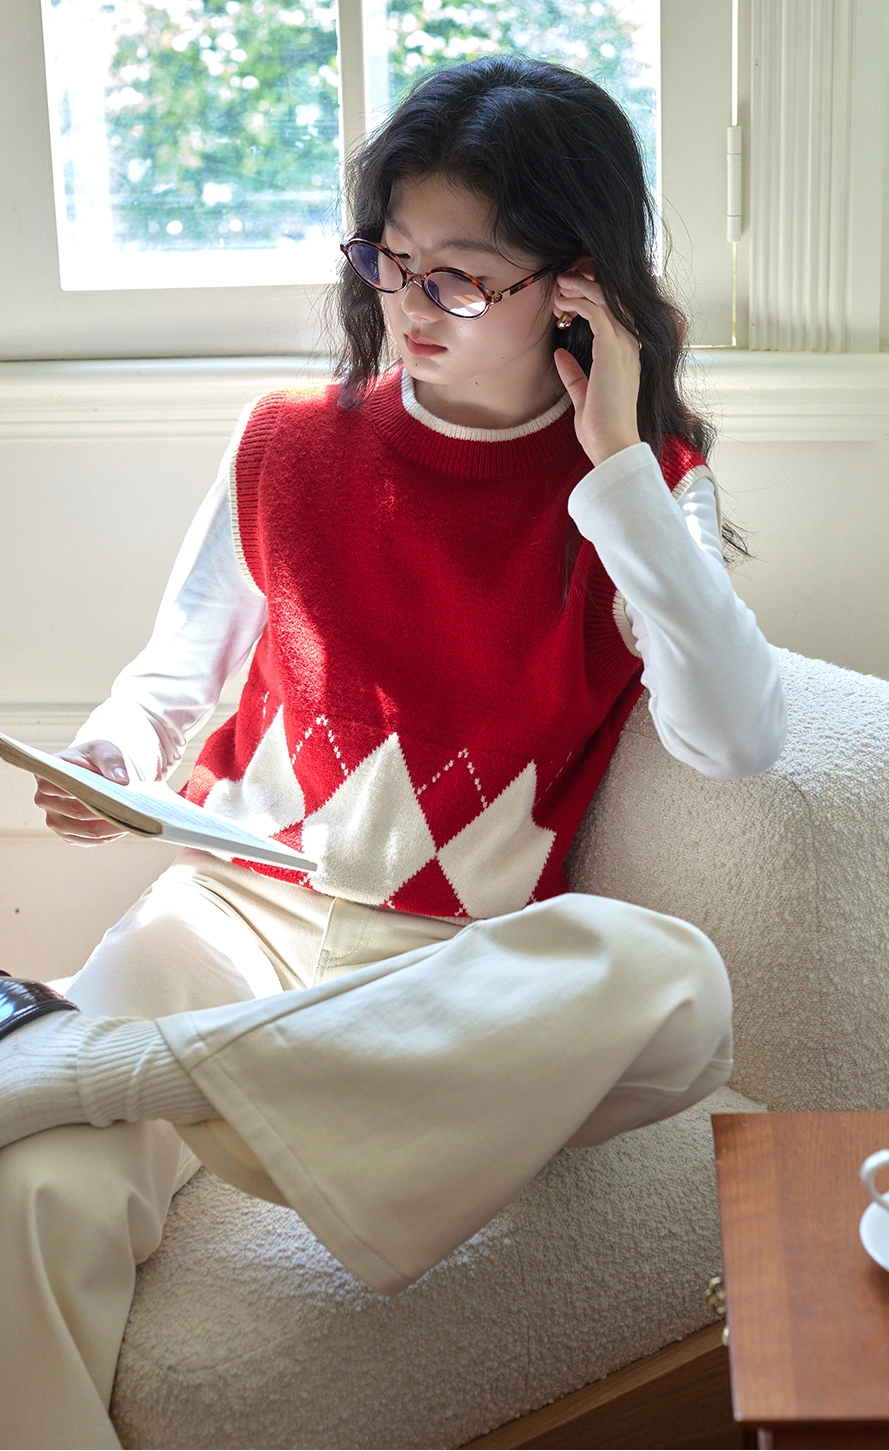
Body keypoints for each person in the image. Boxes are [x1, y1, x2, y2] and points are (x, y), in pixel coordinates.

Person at [0, 55, 786, 1451]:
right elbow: (172, 675)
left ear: (576, 287)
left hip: (442, 972)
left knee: (676, 984)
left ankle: (117, 1061)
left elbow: (736, 740)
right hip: (236, 917)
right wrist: (111, 752)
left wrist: (614, 462)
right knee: (26, 1195)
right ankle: (153, 1059)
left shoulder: (637, 497)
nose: (407, 305)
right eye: (391, 260)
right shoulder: (289, 446)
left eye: (459, 277)